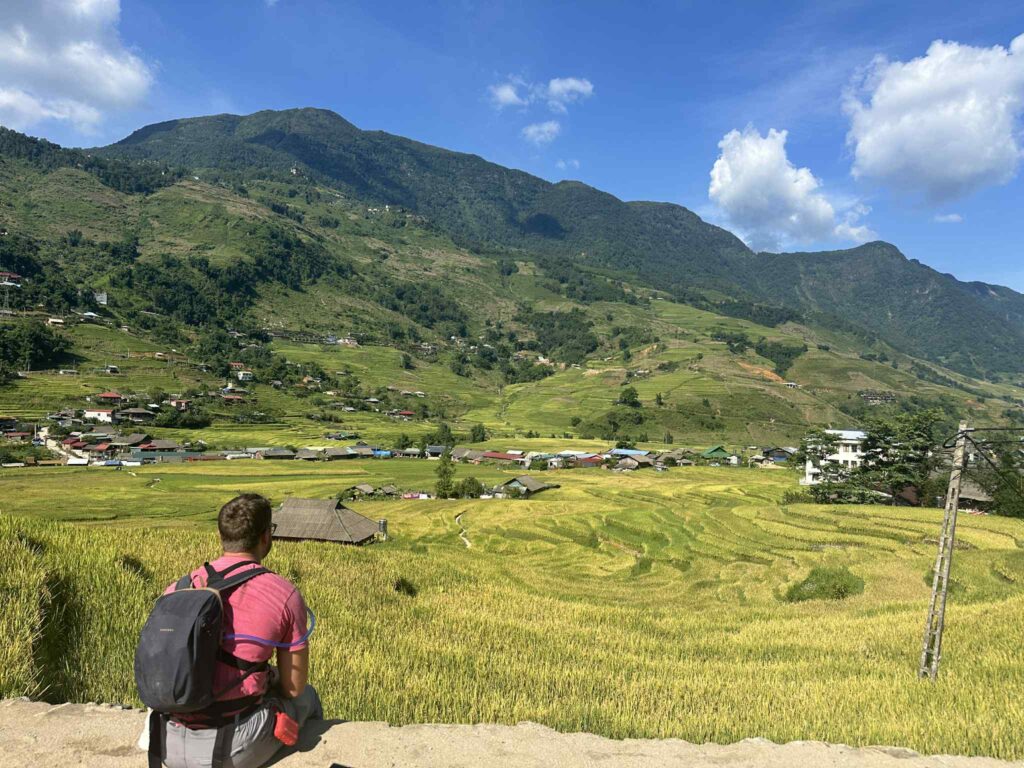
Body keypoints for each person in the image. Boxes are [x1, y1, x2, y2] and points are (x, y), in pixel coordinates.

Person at [146, 493, 322, 768]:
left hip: (163, 740)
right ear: (266, 537)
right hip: (228, 748)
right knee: (307, 697)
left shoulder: (178, 588)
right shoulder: (283, 594)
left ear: (221, 535)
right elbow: (292, 686)